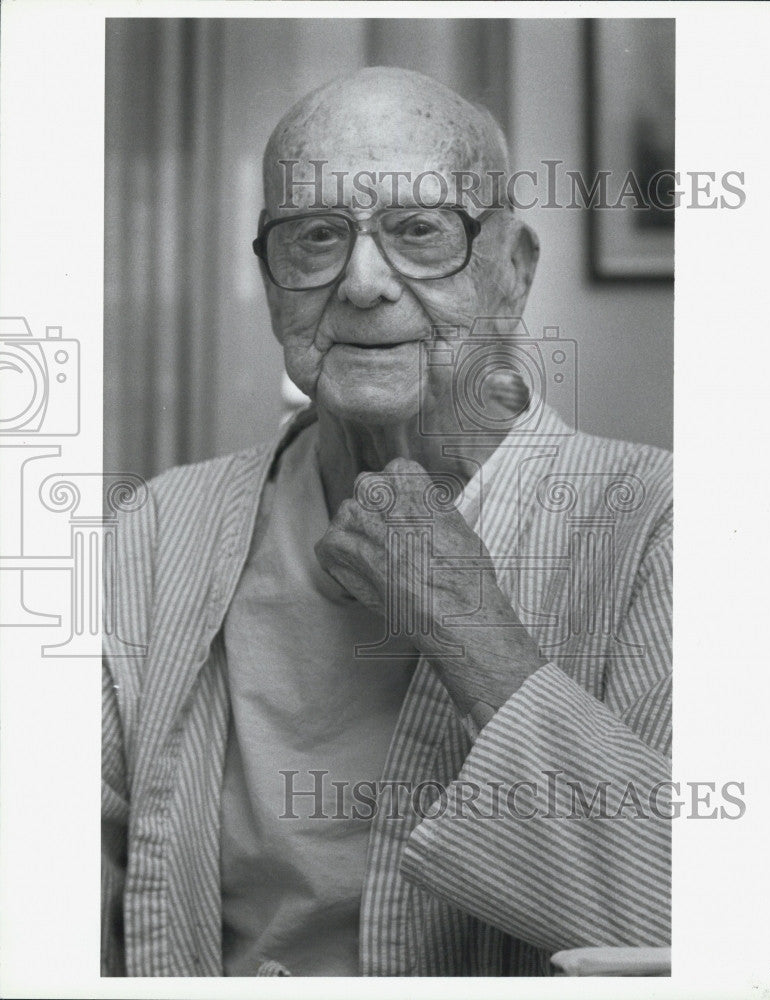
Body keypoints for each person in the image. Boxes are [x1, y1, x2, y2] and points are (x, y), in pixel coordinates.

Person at [101, 66, 672, 977]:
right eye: (315, 236)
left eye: (419, 230)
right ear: (271, 278)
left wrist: (471, 630)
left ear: (513, 272)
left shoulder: (665, 527)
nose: (362, 283)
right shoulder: (159, 530)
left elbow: (695, 919)